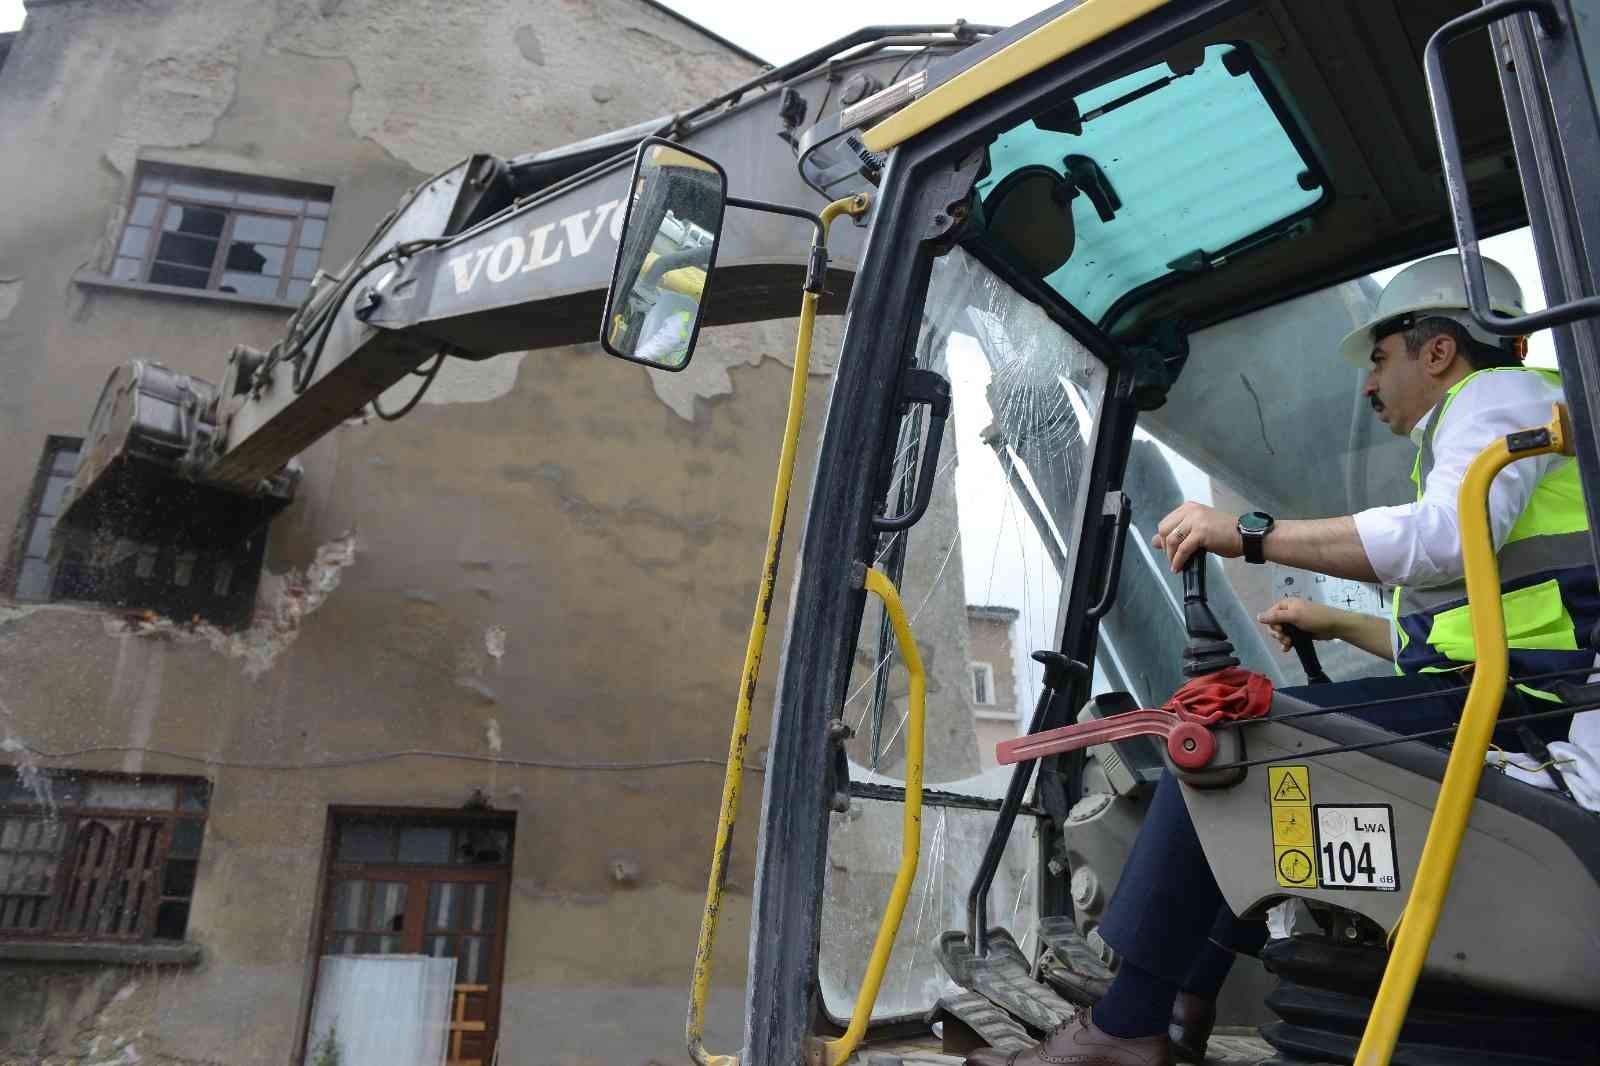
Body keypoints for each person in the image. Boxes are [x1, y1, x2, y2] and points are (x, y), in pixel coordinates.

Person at [966, 255, 1600, 1066]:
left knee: (1226, 743)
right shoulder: (1500, 422)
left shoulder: (1497, 396)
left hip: (1529, 704)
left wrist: (1252, 534)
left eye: (1379, 358)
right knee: (1267, 768)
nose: (1369, 387)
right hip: (1519, 688)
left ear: (1436, 350)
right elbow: (1468, 625)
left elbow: (1437, 541)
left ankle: (1126, 1030)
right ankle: (1182, 1008)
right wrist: (1335, 622)